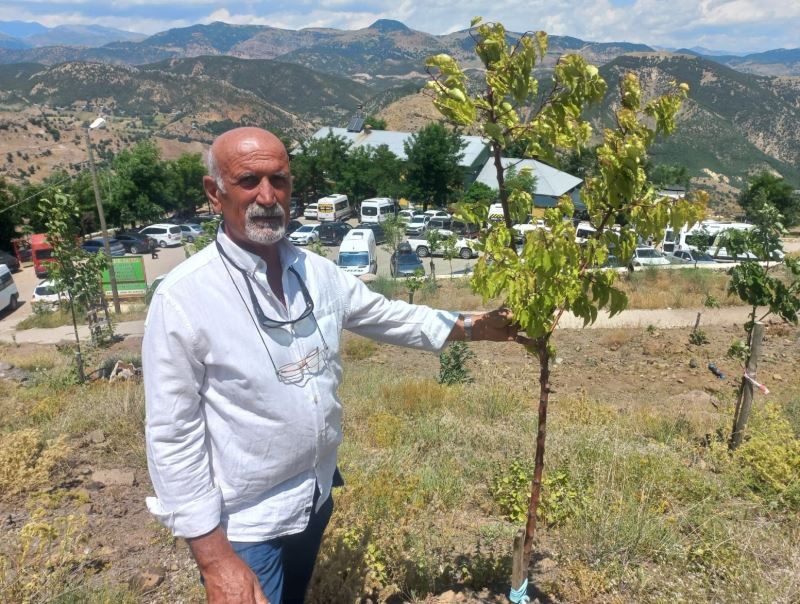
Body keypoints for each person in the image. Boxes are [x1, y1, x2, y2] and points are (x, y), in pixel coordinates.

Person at [143, 127, 530, 604]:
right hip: (246, 524)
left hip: (315, 497)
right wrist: (215, 559)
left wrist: (482, 327)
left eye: (279, 180)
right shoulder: (183, 298)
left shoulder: (317, 272)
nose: (267, 196)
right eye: (248, 181)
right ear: (214, 192)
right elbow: (172, 434)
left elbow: (393, 317)